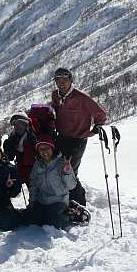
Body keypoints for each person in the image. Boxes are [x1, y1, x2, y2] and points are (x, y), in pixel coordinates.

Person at [51, 68, 106, 205]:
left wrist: (95, 129)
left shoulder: (81, 97)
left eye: (64, 80)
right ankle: (64, 199)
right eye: (58, 80)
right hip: (61, 137)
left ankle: (80, 203)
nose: (61, 83)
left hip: (78, 139)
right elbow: (55, 110)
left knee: (70, 171)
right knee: (58, 168)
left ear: (71, 80)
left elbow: (100, 114)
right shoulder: (56, 95)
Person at [21, 135, 76, 229]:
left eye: (47, 148)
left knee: (54, 223)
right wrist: (32, 202)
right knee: (31, 221)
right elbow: (33, 185)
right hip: (41, 201)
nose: (44, 151)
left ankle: (71, 213)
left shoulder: (61, 163)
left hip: (58, 201)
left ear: (52, 148)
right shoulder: (37, 165)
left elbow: (71, 186)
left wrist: (67, 172)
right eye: (41, 149)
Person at [3, 113, 37, 185]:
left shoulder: (33, 137)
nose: (17, 126)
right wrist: (7, 144)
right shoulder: (13, 138)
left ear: (25, 124)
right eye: (15, 124)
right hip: (23, 171)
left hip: (36, 170)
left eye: (19, 123)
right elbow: (10, 157)